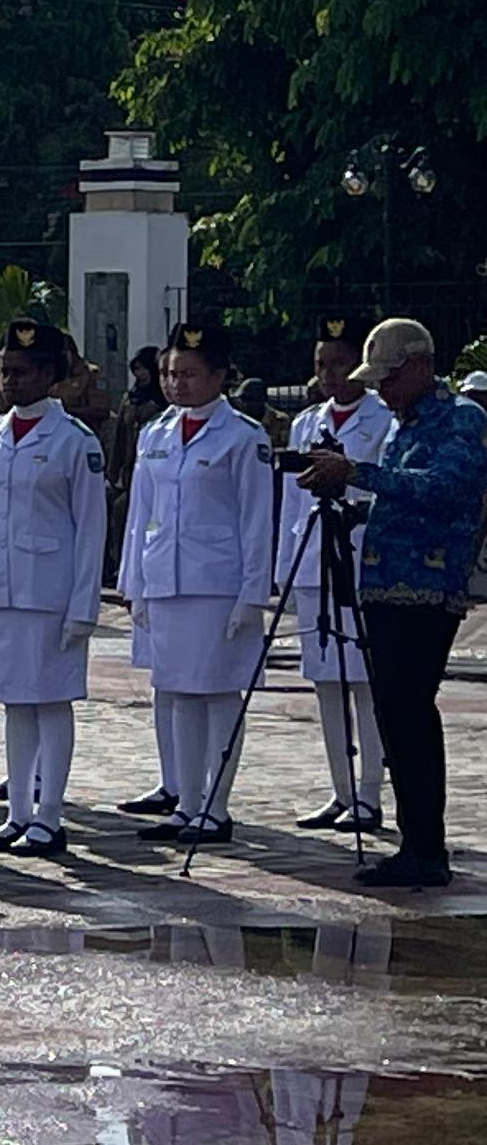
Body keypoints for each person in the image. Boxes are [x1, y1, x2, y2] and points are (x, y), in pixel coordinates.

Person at [300, 315, 486, 888]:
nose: (381, 388)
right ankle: (415, 841)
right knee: (394, 714)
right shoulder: (401, 425)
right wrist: (353, 504)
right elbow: (400, 499)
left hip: (427, 587)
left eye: (389, 376)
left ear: (422, 366)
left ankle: (426, 847)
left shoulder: (462, 419)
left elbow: (445, 488)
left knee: (410, 710)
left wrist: (359, 473)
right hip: (383, 582)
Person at [114, 321, 278, 844]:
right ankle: (186, 803)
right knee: (179, 693)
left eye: (188, 374)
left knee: (219, 694)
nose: (176, 384)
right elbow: (140, 514)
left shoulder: (243, 437)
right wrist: (133, 581)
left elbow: (257, 520)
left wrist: (253, 594)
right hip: (166, 579)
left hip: (217, 584)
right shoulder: (156, 433)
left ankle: (216, 806)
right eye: (169, 373)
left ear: (219, 376)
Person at [0, 319, 108, 853]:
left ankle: (50, 816)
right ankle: (16, 813)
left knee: (51, 701)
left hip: (50, 592)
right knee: (14, 703)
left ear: (48, 374)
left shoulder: (74, 441)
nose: (9, 381)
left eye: (20, 372)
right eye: (4, 372)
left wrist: (84, 607)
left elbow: (91, 530)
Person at [283, 316, 395, 831]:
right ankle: (341, 791)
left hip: (359, 557)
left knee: (365, 683)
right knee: (325, 683)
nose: (329, 374)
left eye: (340, 364)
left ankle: (369, 791)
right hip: (314, 561)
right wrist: (286, 570)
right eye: (321, 364)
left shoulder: (383, 421)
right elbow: (290, 503)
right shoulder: (306, 422)